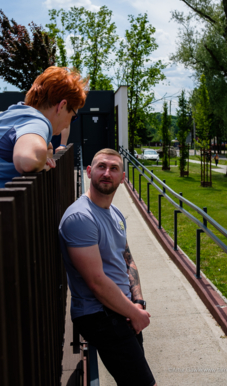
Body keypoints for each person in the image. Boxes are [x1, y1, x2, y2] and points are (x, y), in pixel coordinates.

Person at [59, 149, 157, 386]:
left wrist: (138, 303)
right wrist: (134, 314)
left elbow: (127, 259)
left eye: (114, 169)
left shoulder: (115, 214)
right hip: (98, 315)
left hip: (122, 310)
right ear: (89, 172)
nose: (107, 173)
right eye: (101, 167)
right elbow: (97, 283)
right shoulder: (81, 218)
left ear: (123, 178)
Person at [0, 66, 88, 212]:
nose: (69, 123)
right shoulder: (36, 121)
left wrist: (47, 153)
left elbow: (47, 146)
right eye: (73, 116)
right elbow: (28, 161)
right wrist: (43, 162)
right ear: (62, 106)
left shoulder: (16, 112)